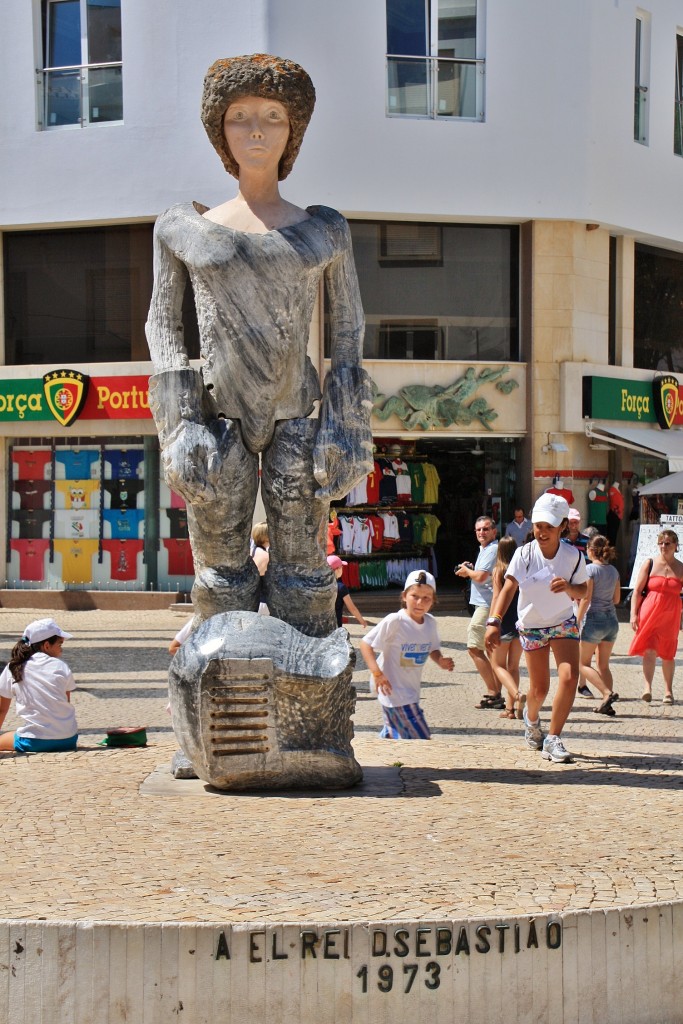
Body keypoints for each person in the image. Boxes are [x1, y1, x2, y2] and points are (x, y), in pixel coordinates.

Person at [145, 54, 373, 639]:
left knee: (303, 578)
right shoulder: (184, 229)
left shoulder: (323, 230)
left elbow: (347, 330)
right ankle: (222, 697)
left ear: (293, 128)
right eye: (239, 116)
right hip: (217, 418)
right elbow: (163, 327)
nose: (255, 130)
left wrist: (345, 426)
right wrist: (180, 425)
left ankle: (309, 706)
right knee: (220, 579)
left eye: (272, 117)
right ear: (219, 130)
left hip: (297, 416)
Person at [485, 493, 588, 763]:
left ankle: (553, 738)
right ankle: (531, 720)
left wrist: (568, 587)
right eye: (539, 525)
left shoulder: (573, 556)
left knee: (569, 676)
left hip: (563, 620)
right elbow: (509, 588)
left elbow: (583, 588)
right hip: (532, 626)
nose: (542, 532)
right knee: (539, 689)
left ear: (562, 526)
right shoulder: (525, 553)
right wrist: (494, 621)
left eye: (549, 527)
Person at [360, 570, 454, 739]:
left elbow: (433, 648)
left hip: (411, 691)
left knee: (394, 734)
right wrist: (377, 674)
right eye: (415, 596)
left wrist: (440, 660)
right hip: (394, 693)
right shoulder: (395, 621)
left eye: (426, 598)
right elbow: (366, 644)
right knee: (420, 739)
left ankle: (386, 749)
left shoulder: (430, 623)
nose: (420, 602)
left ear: (433, 600)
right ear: (404, 596)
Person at [0, 618, 78, 753]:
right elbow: (64, 704)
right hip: (68, 740)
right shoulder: (61, 666)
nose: (61, 649)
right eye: (60, 644)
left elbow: (1, 710)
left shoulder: (14, 667)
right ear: (47, 645)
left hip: (34, 741)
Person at [628, 528, 683, 704]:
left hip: (671, 614)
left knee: (668, 653)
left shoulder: (681, 567)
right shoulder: (650, 563)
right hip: (649, 611)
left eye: (667, 543)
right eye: (660, 543)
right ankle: (647, 688)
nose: (663, 546)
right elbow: (637, 591)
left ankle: (668, 691)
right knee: (649, 650)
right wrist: (633, 614)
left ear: (676, 546)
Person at [454, 515, 502, 709]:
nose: (482, 532)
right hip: (485, 603)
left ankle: (493, 691)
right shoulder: (485, 549)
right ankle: (496, 692)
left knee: (474, 647)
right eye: (479, 529)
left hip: (486, 605)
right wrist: (471, 568)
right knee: (490, 650)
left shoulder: (492, 549)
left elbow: (481, 577)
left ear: (494, 531)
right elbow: (483, 573)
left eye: (486, 529)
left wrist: (467, 572)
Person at [576, 535, 622, 715]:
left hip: (594, 620)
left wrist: (576, 621)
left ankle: (606, 693)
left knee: (581, 663)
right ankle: (607, 703)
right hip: (611, 620)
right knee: (604, 664)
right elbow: (617, 599)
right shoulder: (614, 571)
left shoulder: (590, 570)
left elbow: (586, 598)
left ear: (591, 550)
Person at [489, 536, 525, 720]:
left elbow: (497, 597)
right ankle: (511, 709)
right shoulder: (521, 569)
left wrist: (491, 620)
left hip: (502, 621)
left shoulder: (498, 571)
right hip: (519, 622)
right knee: (514, 667)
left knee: (497, 665)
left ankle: (516, 694)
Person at [328, 554, 368, 628]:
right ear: (337, 569)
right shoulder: (341, 587)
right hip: (335, 627)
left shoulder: (320, 585)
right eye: (342, 567)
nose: (343, 569)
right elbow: (352, 608)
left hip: (320, 626)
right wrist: (362, 621)